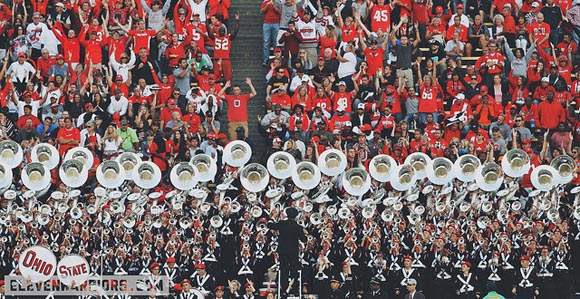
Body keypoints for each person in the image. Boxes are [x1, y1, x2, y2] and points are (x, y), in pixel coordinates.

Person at [267, 207, 306, 296]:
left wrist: (273, 217)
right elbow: (304, 240)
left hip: (283, 251)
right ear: (296, 216)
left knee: (283, 270)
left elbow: (269, 225)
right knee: (294, 270)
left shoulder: (282, 223)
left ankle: (284, 290)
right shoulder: (298, 227)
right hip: (293, 252)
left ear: (287, 215)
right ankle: (294, 289)